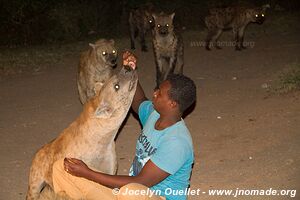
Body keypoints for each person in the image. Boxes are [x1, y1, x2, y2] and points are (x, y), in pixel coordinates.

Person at [52, 51, 197, 200]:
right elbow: (138, 100)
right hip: (127, 193)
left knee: (130, 191)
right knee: (62, 167)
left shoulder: (177, 142)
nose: (154, 93)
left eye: (159, 93)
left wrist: (88, 173)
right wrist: (130, 70)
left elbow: (141, 182)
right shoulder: (155, 114)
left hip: (154, 196)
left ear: (172, 104)